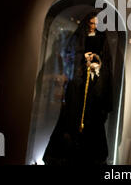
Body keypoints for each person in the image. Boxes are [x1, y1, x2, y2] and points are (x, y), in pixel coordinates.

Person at [43, 11, 112, 165]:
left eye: (95, 24)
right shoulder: (78, 38)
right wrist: (82, 60)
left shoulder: (102, 40)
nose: (93, 26)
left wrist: (95, 64)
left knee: (92, 124)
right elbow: (70, 57)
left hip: (93, 88)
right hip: (77, 88)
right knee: (70, 121)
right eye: (91, 23)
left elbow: (105, 65)